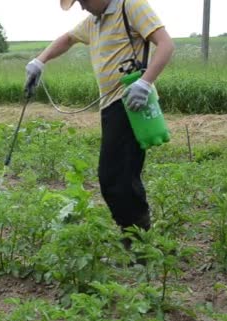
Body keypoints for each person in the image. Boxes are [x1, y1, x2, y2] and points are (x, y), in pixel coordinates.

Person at [24, 0, 175, 248]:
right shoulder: (95, 20)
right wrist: (40, 61)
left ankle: (139, 239)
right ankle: (135, 236)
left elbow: (166, 44)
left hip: (129, 103)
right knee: (119, 175)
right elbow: (68, 38)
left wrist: (145, 83)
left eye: (83, 0)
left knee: (116, 176)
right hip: (110, 106)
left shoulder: (132, 6)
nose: (82, 7)